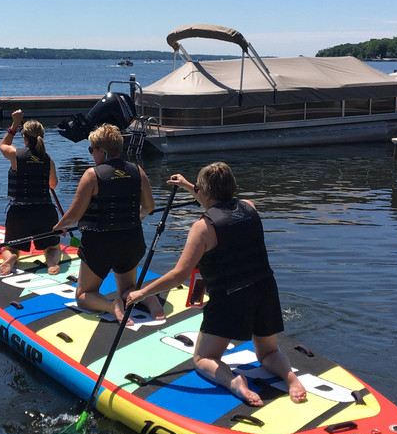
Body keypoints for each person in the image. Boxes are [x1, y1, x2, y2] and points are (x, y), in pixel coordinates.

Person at [124, 162, 307, 406]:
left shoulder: (202, 228)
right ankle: (291, 378)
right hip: (264, 290)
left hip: (231, 299)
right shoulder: (250, 207)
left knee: (203, 358)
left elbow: (179, 275)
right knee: (268, 352)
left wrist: (143, 292)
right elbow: (221, 206)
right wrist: (188, 185)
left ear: (205, 191)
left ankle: (234, 382)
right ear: (233, 187)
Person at [53, 123, 165, 323]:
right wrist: (135, 217)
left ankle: (111, 305)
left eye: (91, 150)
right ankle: (148, 299)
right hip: (131, 241)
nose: (91, 154)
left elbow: (74, 216)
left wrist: (58, 227)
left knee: (83, 295)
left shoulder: (92, 175)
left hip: (100, 245)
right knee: (127, 289)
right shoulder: (138, 171)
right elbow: (149, 207)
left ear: (102, 151)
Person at [0, 109, 62, 276]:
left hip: (19, 213)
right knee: (52, 248)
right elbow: (53, 184)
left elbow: (2, 146)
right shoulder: (48, 160)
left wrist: (14, 124)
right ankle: (51, 261)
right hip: (44, 212)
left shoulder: (15, 155)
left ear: (24, 138)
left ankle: (11, 258)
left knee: (10, 247)